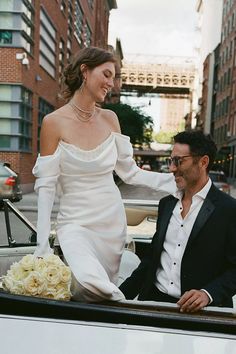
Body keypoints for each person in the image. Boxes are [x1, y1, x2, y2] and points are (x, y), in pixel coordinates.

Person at [32, 46, 175, 302]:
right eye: (106, 74)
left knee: (103, 287)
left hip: (111, 224)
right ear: (85, 71)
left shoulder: (110, 119)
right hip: (74, 223)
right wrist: (42, 245)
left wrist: (176, 182)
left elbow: (130, 173)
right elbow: (46, 187)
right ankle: (128, 313)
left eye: (114, 77)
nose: (111, 83)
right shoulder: (53, 122)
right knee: (90, 283)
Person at [120, 130, 236, 312]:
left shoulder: (229, 209)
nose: (172, 168)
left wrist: (207, 294)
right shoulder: (166, 205)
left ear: (203, 162)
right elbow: (152, 259)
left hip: (202, 313)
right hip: (154, 303)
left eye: (179, 161)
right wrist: (118, 297)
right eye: (171, 161)